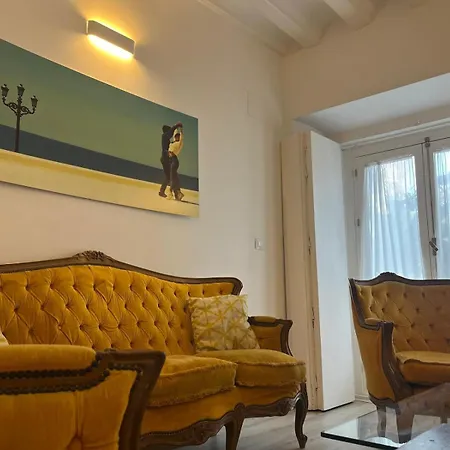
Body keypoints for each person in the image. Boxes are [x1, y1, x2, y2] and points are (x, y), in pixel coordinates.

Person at [159, 122, 182, 198]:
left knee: (169, 176)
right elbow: (170, 132)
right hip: (165, 159)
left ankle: (164, 191)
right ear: (166, 131)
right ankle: (175, 193)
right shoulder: (164, 136)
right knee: (171, 176)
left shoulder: (166, 139)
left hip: (165, 159)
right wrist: (176, 126)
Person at [168, 126, 184, 201]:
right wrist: (175, 128)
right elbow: (174, 133)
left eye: (178, 136)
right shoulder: (173, 143)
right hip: (170, 160)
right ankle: (178, 194)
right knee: (174, 178)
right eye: (176, 136)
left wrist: (181, 129)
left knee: (172, 177)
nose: (177, 137)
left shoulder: (179, 143)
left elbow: (182, 137)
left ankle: (170, 192)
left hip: (174, 161)